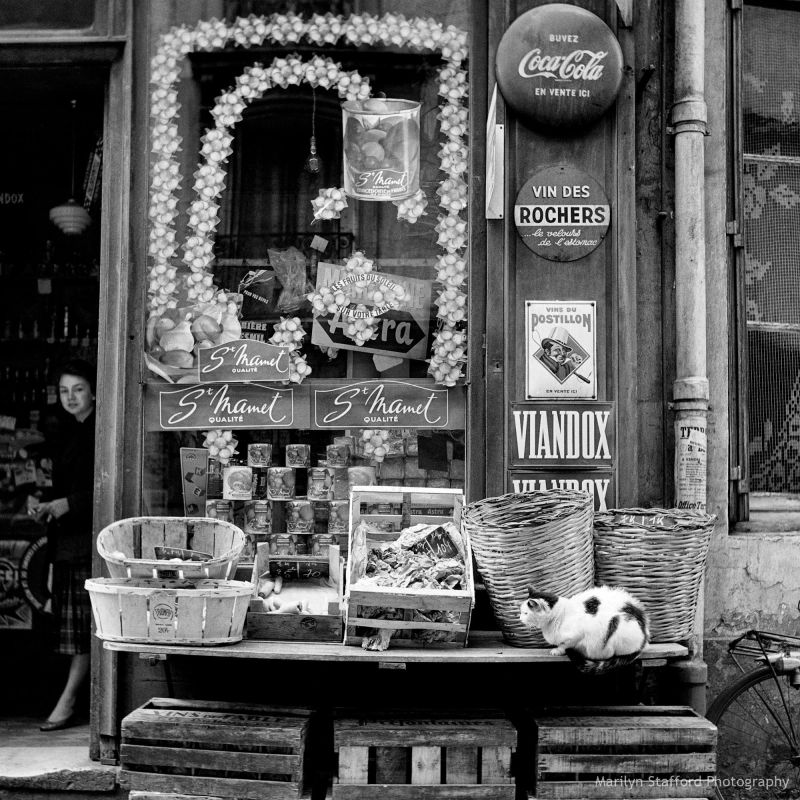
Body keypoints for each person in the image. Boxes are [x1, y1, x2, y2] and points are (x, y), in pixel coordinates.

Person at [31, 359, 96, 731]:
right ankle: (70, 699)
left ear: (93, 391)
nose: (71, 397)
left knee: (84, 627)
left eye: (78, 389)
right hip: (69, 541)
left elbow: (106, 483)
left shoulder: (97, 430)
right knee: (76, 627)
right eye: (64, 391)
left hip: (86, 540)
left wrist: (65, 504)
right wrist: (48, 505)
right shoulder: (70, 431)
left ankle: (69, 700)